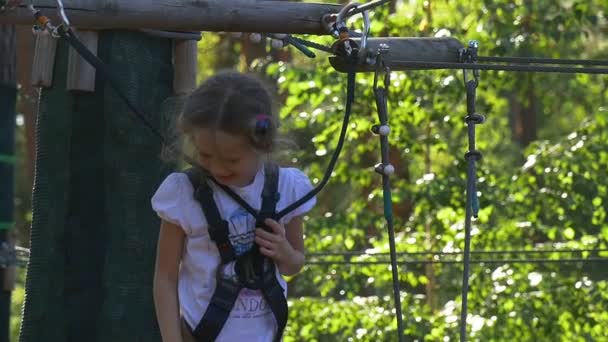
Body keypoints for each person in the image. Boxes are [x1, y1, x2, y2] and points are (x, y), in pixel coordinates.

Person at [151, 70, 316, 342]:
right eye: (205, 155)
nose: (216, 168)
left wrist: (284, 252)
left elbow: (294, 264)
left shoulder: (287, 189)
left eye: (231, 160)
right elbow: (165, 277)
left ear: (263, 143)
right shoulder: (183, 193)